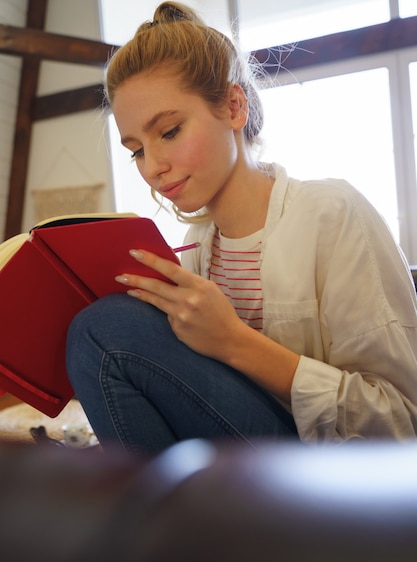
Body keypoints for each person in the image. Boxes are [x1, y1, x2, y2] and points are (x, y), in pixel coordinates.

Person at [66, 1, 417, 455]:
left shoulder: (332, 213)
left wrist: (235, 342)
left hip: (326, 471)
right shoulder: (194, 250)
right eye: (135, 150)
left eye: (169, 131)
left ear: (233, 107)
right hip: (237, 468)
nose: (152, 167)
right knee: (94, 324)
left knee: (101, 329)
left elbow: (402, 419)